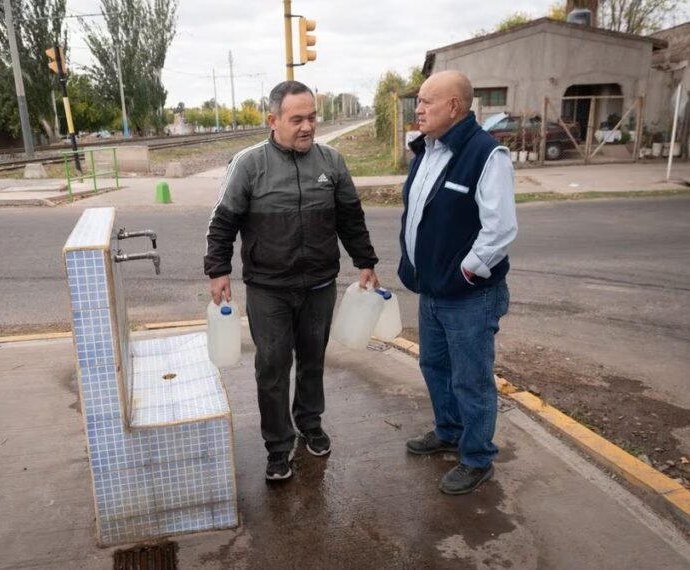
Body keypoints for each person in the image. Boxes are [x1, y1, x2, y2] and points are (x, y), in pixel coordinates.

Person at [204, 80, 380, 481]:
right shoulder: (249, 164)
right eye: (297, 119)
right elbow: (223, 221)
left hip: (319, 285)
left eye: (312, 118)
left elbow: (351, 218)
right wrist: (218, 270)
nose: (308, 126)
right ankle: (278, 446)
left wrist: (365, 260)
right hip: (269, 289)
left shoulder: (331, 162)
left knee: (312, 361)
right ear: (274, 120)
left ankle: (310, 424)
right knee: (272, 367)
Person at [398, 70, 518, 495]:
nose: (419, 108)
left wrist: (464, 271)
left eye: (427, 101)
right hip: (431, 290)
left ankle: (477, 457)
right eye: (418, 101)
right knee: (434, 366)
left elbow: (500, 229)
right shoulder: (428, 150)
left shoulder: (486, 155)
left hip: (469, 296)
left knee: (471, 379)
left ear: (454, 107)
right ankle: (448, 431)